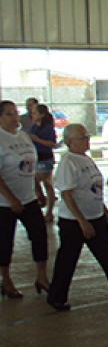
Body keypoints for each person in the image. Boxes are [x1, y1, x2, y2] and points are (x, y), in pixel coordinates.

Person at [46, 124, 108, 310]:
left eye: (87, 136)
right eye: (82, 137)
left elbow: (94, 189)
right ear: (70, 141)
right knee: (68, 259)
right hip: (74, 221)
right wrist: (82, 221)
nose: (87, 140)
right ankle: (57, 296)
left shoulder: (86, 159)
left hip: (95, 215)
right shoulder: (68, 162)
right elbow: (66, 194)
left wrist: (105, 211)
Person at [0, 100, 49, 299]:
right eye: (9, 114)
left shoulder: (24, 136)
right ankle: (6, 279)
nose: (15, 117)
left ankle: (42, 276)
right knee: (5, 242)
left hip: (28, 198)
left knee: (39, 235)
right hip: (4, 202)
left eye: (16, 112)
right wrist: (11, 199)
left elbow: (31, 165)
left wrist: (38, 189)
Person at [29, 104, 57, 223]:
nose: (32, 115)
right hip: (36, 158)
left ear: (42, 114)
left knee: (44, 182)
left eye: (35, 113)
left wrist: (37, 140)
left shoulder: (48, 128)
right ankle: (46, 206)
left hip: (45, 158)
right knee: (46, 184)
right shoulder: (35, 127)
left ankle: (48, 209)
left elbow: (52, 144)